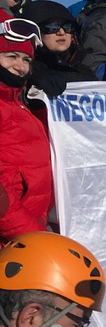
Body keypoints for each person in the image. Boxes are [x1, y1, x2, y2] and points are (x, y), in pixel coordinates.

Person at [0, 15, 50, 243]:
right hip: (17, 237)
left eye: (26, 59)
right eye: (11, 56)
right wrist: (31, 237)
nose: (19, 67)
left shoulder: (18, 105)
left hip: (27, 235)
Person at [21, 0, 97, 97]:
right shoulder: (23, 71)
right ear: (35, 32)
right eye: (52, 27)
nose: (61, 32)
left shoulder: (85, 72)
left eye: (67, 27)